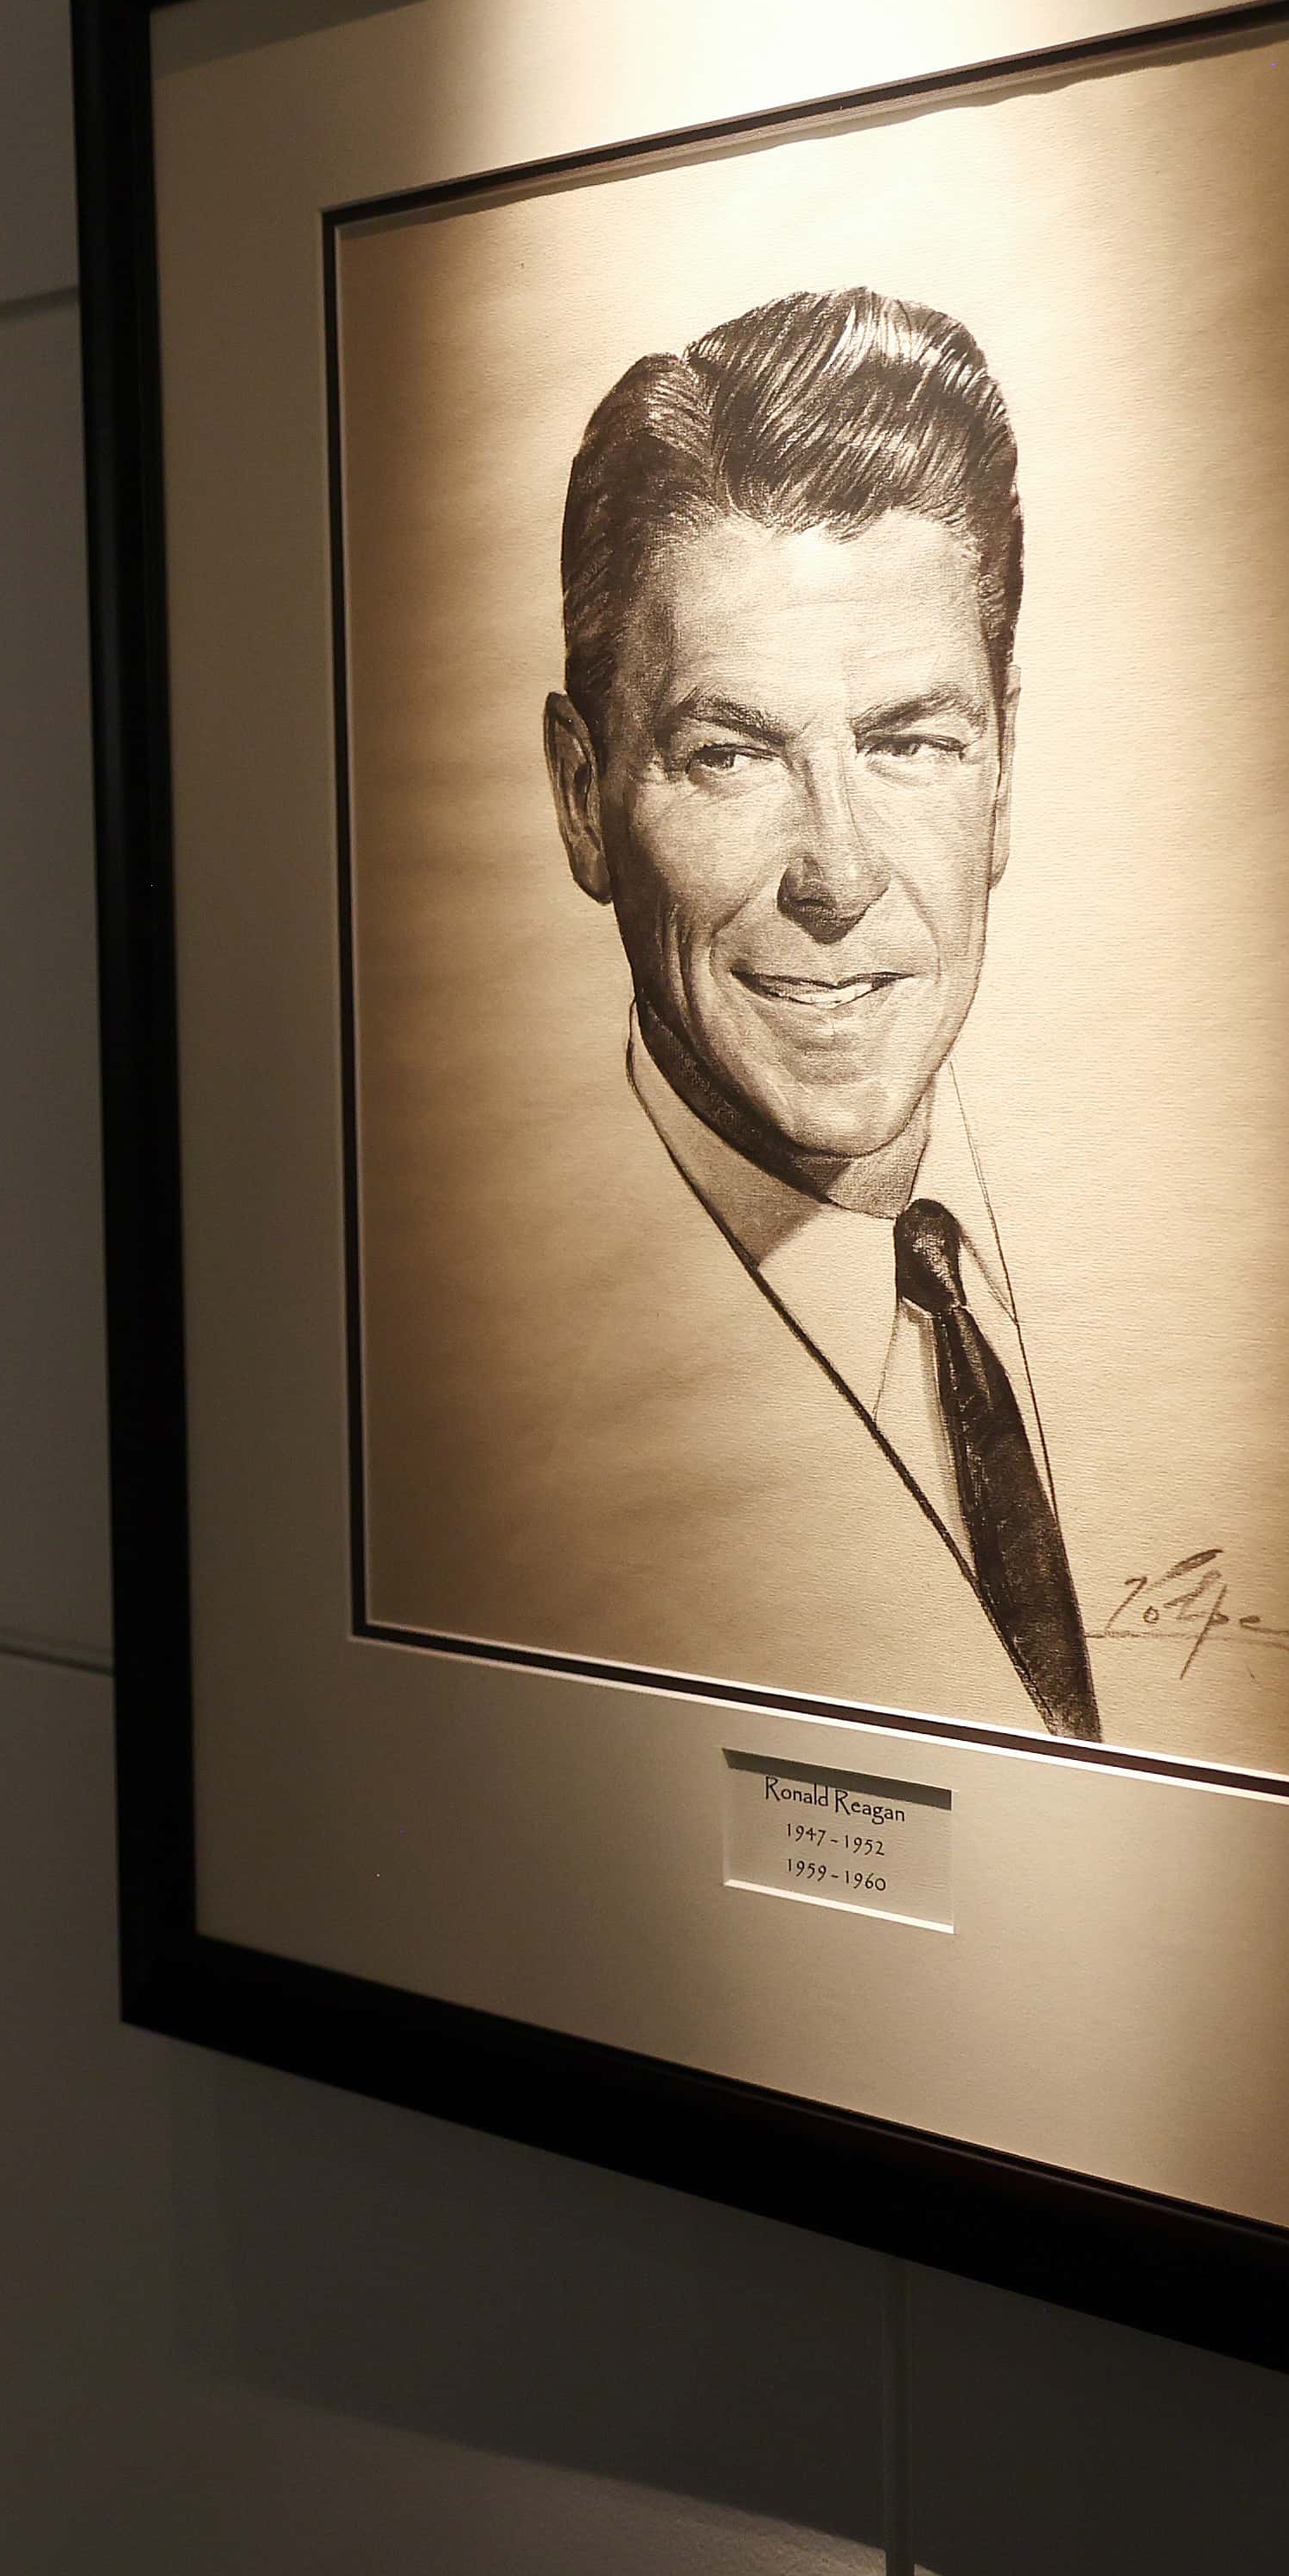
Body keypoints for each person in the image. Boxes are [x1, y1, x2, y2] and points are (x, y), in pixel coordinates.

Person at [535, 287, 1098, 1739]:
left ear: (1003, 765)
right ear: (579, 799)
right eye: (728, 753)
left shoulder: (1188, 1295)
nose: (837, 875)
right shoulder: (493, 1413)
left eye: (911, 741)